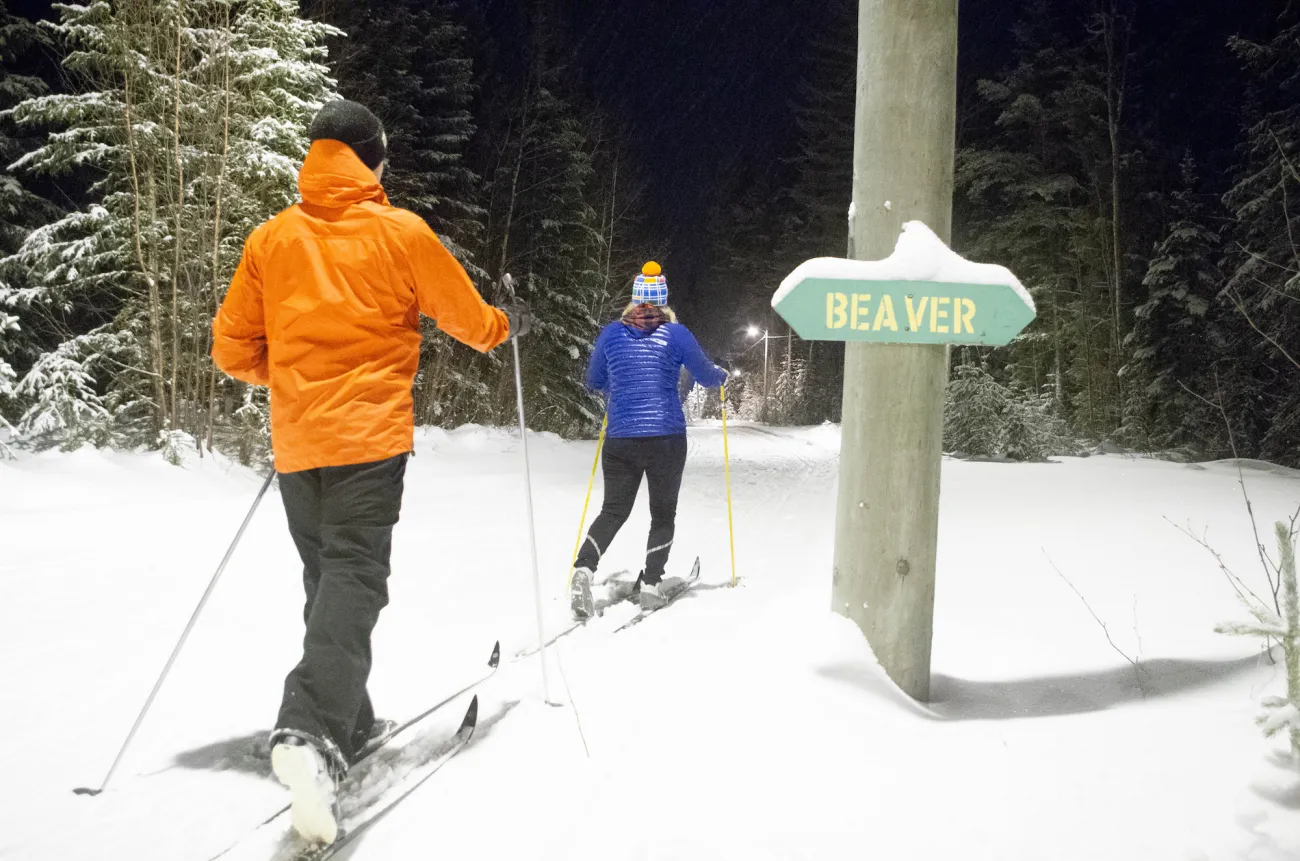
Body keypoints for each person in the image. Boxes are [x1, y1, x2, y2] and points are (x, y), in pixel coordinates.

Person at [210, 99, 530, 846]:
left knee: (327, 580)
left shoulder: (271, 238)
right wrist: (509, 320)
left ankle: (345, 718)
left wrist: (291, 376)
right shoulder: (401, 232)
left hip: (297, 443)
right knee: (355, 576)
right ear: (373, 158)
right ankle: (309, 729)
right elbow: (472, 321)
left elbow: (230, 350)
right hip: (367, 439)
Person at [569, 261, 727, 618]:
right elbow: (704, 374)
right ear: (663, 301)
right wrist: (722, 375)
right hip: (665, 438)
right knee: (662, 513)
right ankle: (652, 585)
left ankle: (583, 569)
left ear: (634, 300)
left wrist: (618, 387)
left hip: (621, 438)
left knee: (613, 511)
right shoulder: (676, 334)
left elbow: (592, 381)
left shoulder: (611, 334)